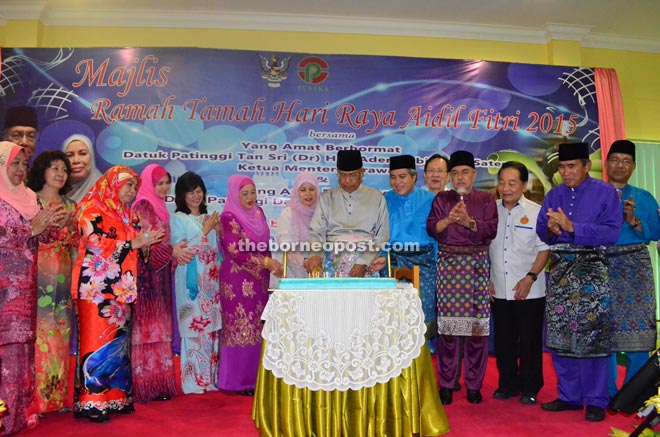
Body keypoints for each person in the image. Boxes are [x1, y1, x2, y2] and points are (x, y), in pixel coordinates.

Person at [536, 142, 622, 422]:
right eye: (561, 167)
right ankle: (569, 396)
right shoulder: (554, 194)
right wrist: (550, 229)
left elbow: (611, 233)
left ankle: (596, 399)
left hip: (593, 275)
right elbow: (541, 230)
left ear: (586, 166)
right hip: (560, 274)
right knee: (561, 337)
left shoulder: (606, 193)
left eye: (571, 166)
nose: (565, 172)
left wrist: (574, 227)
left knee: (593, 337)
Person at [72, 165, 164, 422]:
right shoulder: (90, 208)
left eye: (135, 186)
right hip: (95, 289)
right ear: (112, 184)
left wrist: (146, 244)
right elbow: (94, 243)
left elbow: (135, 245)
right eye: (128, 185)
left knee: (117, 345)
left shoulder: (128, 215)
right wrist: (134, 243)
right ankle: (92, 403)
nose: (132, 190)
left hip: (122, 288)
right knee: (95, 342)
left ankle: (115, 398)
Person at [0, 142, 67, 435]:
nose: (19, 171)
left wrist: (54, 224)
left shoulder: (29, 197)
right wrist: (32, 229)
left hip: (26, 286)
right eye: (14, 164)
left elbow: (40, 235)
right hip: (3, 289)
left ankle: (18, 414)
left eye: (23, 165)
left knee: (21, 353)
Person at [426, 150, 498, 405]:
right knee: (448, 332)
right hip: (448, 268)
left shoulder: (486, 198)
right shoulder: (442, 199)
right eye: (454, 173)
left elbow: (490, 229)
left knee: (476, 333)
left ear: (474, 174)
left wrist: (468, 222)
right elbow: (432, 228)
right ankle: (446, 384)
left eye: (464, 172)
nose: (459, 177)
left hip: (477, 267)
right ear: (449, 176)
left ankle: (474, 386)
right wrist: (449, 219)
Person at [489, 161, 550, 405]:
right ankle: (507, 384)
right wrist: (486, 279)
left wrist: (531, 276)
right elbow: (483, 248)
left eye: (512, 183)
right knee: (503, 340)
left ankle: (530, 387)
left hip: (530, 289)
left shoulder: (537, 212)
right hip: (498, 288)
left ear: (524, 185)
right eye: (502, 182)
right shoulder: (490, 211)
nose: (506, 188)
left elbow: (544, 250)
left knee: (529, 341)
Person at [603, 140, 660, 396]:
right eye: (615, 159)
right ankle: (605, 393)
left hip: (636, 270)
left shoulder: (645, 197)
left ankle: (633, 395)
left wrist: (633, 221)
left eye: (626, 161)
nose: (620, 165)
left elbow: (656, 232)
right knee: (603, 333)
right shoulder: (594, 195)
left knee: (639, 334)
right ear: (606, 163)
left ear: (634, 166)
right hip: (601, 267)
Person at [217, 174, 283, 395]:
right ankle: (236, 381)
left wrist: (269, 266)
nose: (250, 197)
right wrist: (264, 262)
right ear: (235, 195)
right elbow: (235, 250)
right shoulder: (228, 217)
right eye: (244, 194)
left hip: (259, 279)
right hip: (237, 281)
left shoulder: (258, 212)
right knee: (241, 327)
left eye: (252, 192)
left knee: (256, 327)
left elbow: (264, 244)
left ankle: (254, 379)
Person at [26, 151, 77, 415]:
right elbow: (23, 238)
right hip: (38, 275)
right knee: (40, 335)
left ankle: (56, 399)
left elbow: (78, 243)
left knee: (61, 333)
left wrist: (70, 229)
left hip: (64, 277)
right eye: (54, 168)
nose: (60, 174)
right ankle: (36, 400)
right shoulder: (29, 200)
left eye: (64, 170)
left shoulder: (70, 205)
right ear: (42, 171)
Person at [369, 154, 438, 349]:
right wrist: (382, 256)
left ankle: (422, 357)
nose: (397, 182)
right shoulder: (384, 200)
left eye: (402, 177)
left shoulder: (430, 199)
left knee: (423, 311)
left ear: (414, 177)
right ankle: (393, 359)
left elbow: (436, 236)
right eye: (393, 177)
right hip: (393, 260)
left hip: (424, 262)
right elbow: (379, 233)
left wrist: (437, 263)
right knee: (392, 312)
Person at [131, 164, 182, 403]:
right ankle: (144, 387)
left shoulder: (161, 209)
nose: (163, 188)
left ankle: (160, 384)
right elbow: (147, 245)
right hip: (145, 278)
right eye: (159, 183)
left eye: (166, 183)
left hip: (160, 278)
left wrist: (171, 253)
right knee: (147, 331)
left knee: (160, 330)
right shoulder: (143, 206)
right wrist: (172, 251)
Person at [170, 171, 222, 394]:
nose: (195, 196)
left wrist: (216, 230)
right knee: (194, 329)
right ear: (182, 195)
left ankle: (208, 379)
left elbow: (216, 250)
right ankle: (192, 381)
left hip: (212, 282)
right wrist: (205, 230)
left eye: (198, 190)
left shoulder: (209, 217)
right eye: (190, 192)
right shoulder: (178, 218)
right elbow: (183, 252)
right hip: (192, 284)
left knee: (210, 330)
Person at [306, 149, 389, 277]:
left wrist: (363, 262)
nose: (347, 180)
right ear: (337, 174)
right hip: (332, 261)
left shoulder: (376, 197)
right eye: (343, 175)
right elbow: (317, 231)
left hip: (366, 260)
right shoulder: (327, 197)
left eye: (353, 175)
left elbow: (382, 235)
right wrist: (316, 254)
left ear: (362, 173)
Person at [275, 171, 319, 279]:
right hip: (291, 273)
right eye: (303, 190)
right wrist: (305, 262)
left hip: (316, 273)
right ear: (296, 192)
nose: (308, 194)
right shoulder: (288, 213)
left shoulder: (321, 213)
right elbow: (286, 246)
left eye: (312, 189)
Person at [63, 134, 103, 203]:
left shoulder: (104, 190)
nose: (76, 160)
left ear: (92, 157)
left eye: (83, 154)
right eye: (69, 155)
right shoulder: (55, 188)